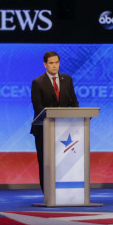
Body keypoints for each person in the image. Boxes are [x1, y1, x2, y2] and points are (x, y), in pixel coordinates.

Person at [30, 50, 79, 193]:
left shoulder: (67, 79)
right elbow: (38, 108)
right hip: (44, 130)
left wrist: (75, 118)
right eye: (51, 63)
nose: (54, 66)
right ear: (45, 64)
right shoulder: (37, 82)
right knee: (46, 162)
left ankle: (66, 192)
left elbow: (74, 103)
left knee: (63, 162)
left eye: (56, 62)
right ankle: (48, 193)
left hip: (65, 130)